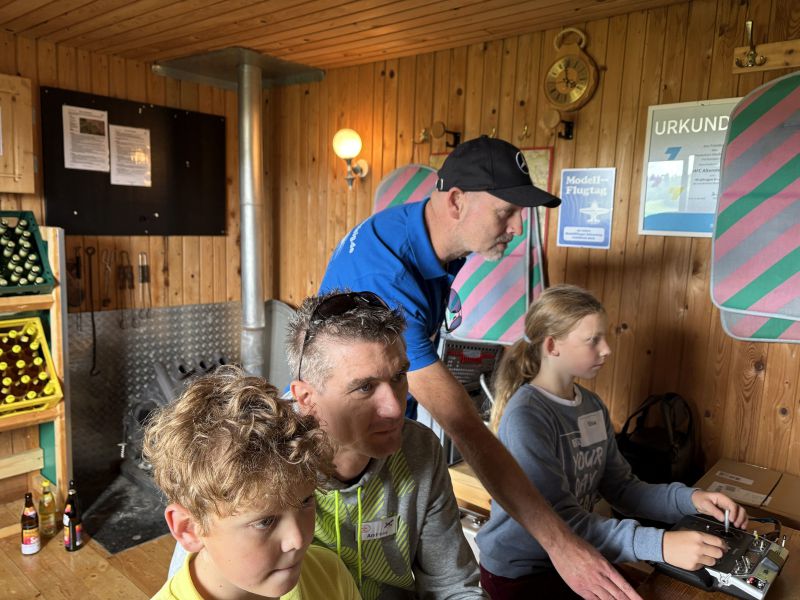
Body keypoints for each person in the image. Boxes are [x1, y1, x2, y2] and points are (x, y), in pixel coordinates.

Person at [318, 135, 640, 599]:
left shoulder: (425, 235)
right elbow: (465, 427)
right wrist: (562, 547)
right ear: (456, 201)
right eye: (505, 213)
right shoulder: (389, 278)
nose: (516, 227)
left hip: (388, 433)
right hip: (342, 448)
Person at [476, 284, 749, 598]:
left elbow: (622, 488)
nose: (606, 349)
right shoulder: (527, 415)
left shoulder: (591, 405)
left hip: (579, 554)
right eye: (592, 340)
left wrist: (692, 501)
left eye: (604, 337)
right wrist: (660, 545)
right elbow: (559, 522)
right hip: (524, 571)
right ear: (552, 346)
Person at [287, 291, 486, 599]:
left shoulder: (419, 449)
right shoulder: (268, 457)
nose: (394, 408)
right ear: (306, 399)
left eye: (398, 377)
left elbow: (452, 586)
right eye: (365, 387)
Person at [145, 364, 361, 600]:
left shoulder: (329, 574)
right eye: (265, 521)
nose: (298, 540)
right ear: (188, 529)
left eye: (306, 501)